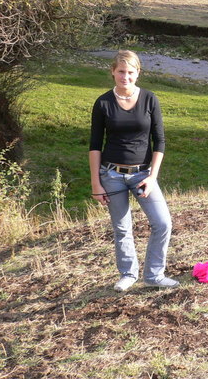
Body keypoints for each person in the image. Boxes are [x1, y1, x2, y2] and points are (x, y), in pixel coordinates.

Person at [89, 50, 179, 292]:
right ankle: (128, 274)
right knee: (121, 228)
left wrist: (152, 177)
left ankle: (154, 275)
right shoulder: (103, 103)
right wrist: (96, 184)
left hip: (142, 175)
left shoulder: (150, 99)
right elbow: (95, 146)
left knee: (162, 223)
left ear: (138, 73)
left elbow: (159, 141)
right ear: (113, 72)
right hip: (111, 175)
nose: (125, 76)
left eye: (130, 72)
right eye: (121, 71)